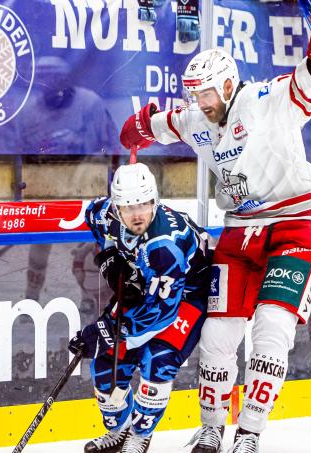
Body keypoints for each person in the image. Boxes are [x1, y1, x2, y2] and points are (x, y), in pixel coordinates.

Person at [118, 5, 311, 453]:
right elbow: (156, 124)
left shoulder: (264, 100)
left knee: (272, 328)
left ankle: (249, 433)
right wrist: (135, 132)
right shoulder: (196, 118)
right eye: (193, 95)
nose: (200, 103)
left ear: (228, 85)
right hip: (240, 228)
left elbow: (307, 86)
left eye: (206, 93)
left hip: (299, 223)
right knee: (217, 335)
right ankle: (211, 428)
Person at [68, 163, 212, 453]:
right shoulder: (105, 213)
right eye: (129, 207)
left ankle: (140, 435)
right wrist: (110, 256)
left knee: (158, 359)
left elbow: (161, 313)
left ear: (154, 201)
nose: (137, 214)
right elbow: (91, 215)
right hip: (150, 286)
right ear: (116, 206)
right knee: (106, 362)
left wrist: (106, 331)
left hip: (187, 295)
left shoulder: (164, 247)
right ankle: (120, 430)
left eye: (144, 204)